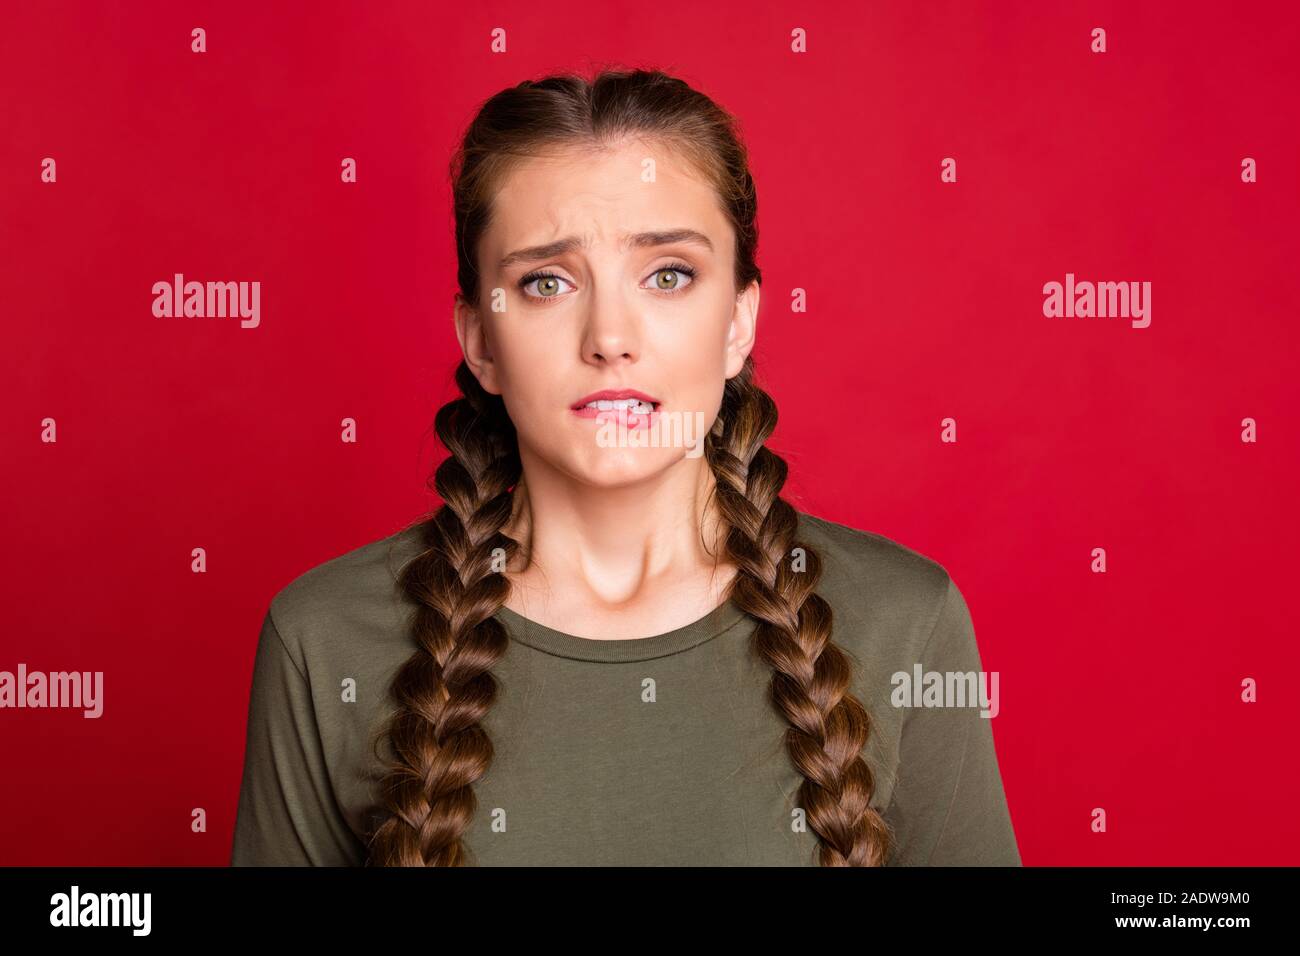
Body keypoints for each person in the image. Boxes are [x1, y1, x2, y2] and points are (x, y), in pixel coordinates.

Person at [231, 68, 1021, 867]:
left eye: (668, 275)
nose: (609, 336)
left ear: (740, 320)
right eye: (545, 282)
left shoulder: (906, 621)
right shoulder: (322, 640)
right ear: (480, 342)